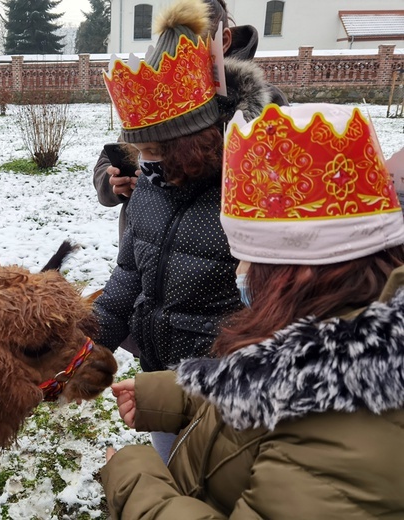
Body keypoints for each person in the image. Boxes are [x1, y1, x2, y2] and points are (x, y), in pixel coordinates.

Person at [101, 103, 404, 519]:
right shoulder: (330, 338)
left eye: (250, 261)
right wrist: (180, 394)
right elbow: (268, 397)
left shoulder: (346, 436)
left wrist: (133, 479)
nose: (240, 273)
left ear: (296, 275)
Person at [94, 0, 273, 461]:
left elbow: (271, 313)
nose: (145, 161)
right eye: (141, 149)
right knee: (172, 463)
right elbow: (130, 273)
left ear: (192, 144)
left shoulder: (250, 186)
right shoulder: (152, 182)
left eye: (154, 149)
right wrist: (88, 342)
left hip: (226, 390)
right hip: (158, 374)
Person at [93, 0, 288, 242]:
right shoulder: (157, 91)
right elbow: (111, 159)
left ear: (223, 40)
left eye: (187, 43)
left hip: (212, 256)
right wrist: (113, 185)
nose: (175, 52)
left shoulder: (267, 105)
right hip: (145, 247)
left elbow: (280, 189)